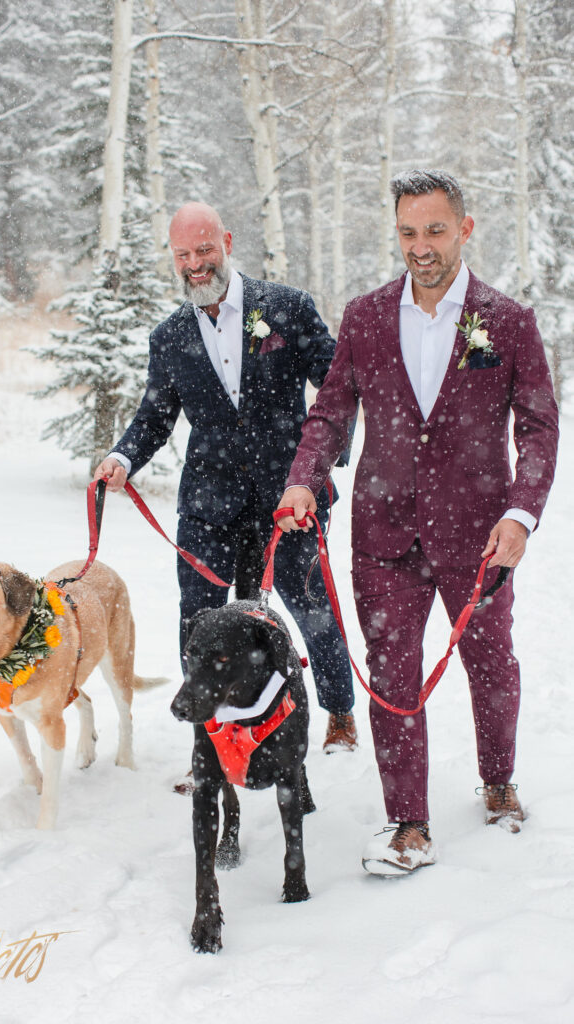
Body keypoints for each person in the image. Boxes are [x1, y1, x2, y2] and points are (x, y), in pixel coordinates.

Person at [277, 170, 558, 874]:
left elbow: (539, 428)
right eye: (407, 232)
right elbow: (331, 411)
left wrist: (520, 515)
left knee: (490, 665)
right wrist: (303, 480)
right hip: (384, 535)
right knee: (391, 673)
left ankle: (498, 782)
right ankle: (407, 823)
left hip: (480, 536)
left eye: (434, 230)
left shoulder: (508, 321)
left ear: (463, 229)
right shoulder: (365, 317)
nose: (420, 246)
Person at [94, 201, 357, 769]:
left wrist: (318, 471)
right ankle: (211, 744)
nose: (194, 264)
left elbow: (338, 388)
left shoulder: (286, 308)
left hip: (290, 499)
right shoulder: (168, 337)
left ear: (227, 242)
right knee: (200, 623)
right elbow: (155, 415)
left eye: (204, 249)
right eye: (183, 254)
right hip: (209, 505)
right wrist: (122, 457)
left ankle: (339, 709)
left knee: (311, 609)